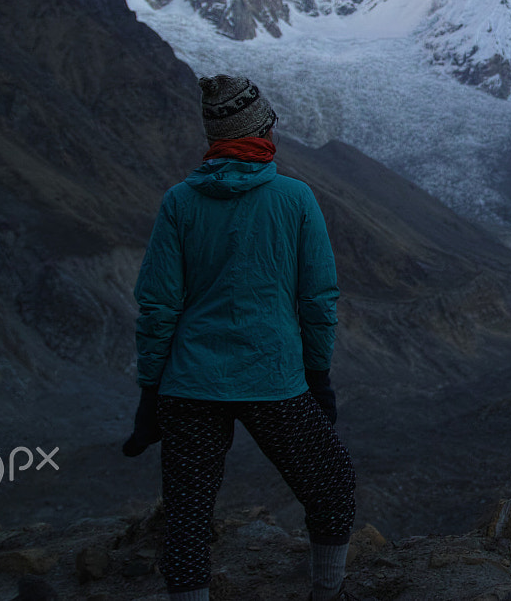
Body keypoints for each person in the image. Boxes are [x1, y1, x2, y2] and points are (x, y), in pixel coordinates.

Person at [122, 75, 357, 601]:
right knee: (332, 486)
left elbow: (158, 306)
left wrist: (149, 390)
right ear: (262, 129)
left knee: (187, 517)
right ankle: (328, 592)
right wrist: (318, 376)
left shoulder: (179, 202)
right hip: (273, 379)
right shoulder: (295, 198)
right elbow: (318, 300)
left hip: (189, 383)